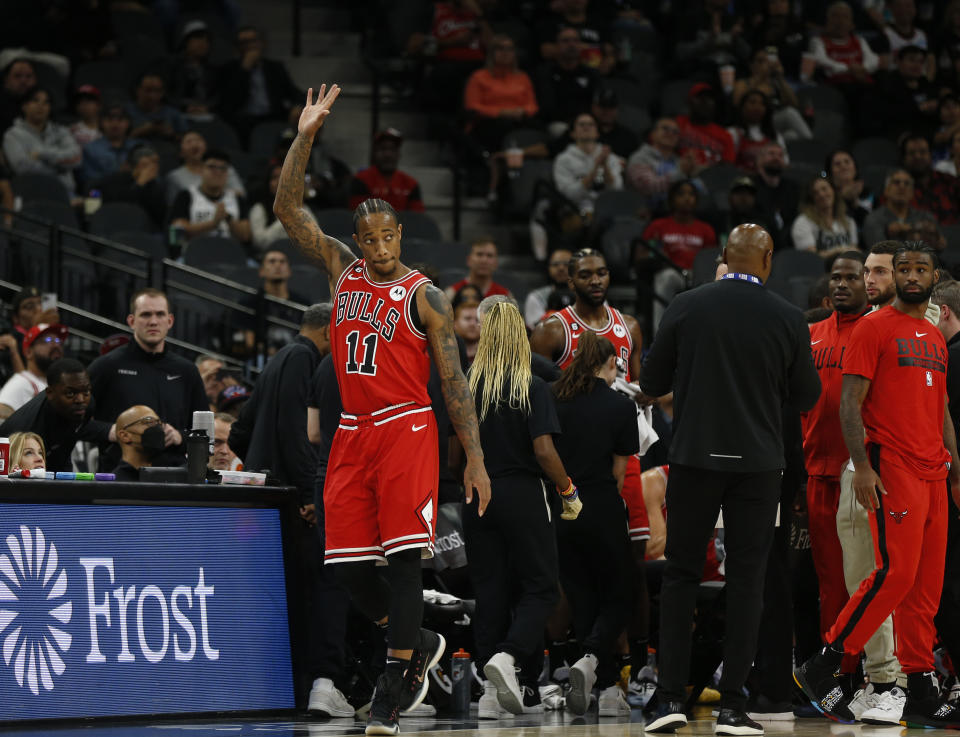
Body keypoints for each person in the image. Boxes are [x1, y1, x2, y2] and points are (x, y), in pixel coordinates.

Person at [272, 83, 490, 736]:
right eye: (366, 236)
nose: (377, 244)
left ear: (399, 232)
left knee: (400, 560)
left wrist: (474, 455)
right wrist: (305, 135)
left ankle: (397, 677)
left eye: (386, 233)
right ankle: (419, 639)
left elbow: (453, 381)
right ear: (358, 239)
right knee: (343, 566)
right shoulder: (342, 270)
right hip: (351, 433)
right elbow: (288, 210)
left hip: (406, 427)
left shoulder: (426, 297)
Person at [638, 224, 820, 735]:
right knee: (748, 581)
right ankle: (735, 705)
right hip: (759, 466)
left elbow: (651, 384)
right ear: (766, 260)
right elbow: (807, 397)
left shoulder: (686, 304)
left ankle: (669, 698)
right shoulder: (787, 317)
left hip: (695, 458)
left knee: (680, 576)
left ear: (722, 257)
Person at [793, 244, 960, 729]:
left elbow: (943, 409)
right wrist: (863, 467)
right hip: (894, 467)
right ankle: (825, 662)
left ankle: (921, 681)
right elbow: (849, 403)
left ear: (933, 277)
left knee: (926, 589)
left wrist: (956, 469)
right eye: (902, 269)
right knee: (895, 574)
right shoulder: (872, 326)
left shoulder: (932, 333)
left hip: (934, 469)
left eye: (918, 269)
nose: (910, 276)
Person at [453, 300, 579, 715]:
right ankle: (508, 659)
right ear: (520, 337)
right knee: (541, 586)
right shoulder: (531, 385)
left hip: (477, 493)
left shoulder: (468, 384)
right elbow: (544, 451)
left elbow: (454, 451)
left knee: (489, 591)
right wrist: (567, 489)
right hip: (524, 493)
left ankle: (490, 696)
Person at [552, 330, 640, 717]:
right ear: (609, 364)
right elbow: (620, 474)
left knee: (583, 594)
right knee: (622, 591)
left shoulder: (552, 398)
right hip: (602, 504)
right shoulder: (620, 406)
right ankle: (590, 661)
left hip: (562, 507)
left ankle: (602, 690)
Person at [800, 251, 872, 705]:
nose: (842, 284)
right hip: (815, 472)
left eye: (852, 277)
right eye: (837, 277)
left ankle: (867, 669)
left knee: (864, 577)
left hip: (860, 475)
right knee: (830, 581)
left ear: (867, 283)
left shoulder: (875, 331)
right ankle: (840, 672)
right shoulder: (809, 334)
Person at [87, 288, 208, 470]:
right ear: (131, 321)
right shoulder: (106, 367)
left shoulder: (187, 371)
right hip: (119, 476)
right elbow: (74, 424)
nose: (153, 321)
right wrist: (111, 431)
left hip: (174, 475)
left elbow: (205, 432)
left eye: (160, 314)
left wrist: (179, 436)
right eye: (145, 315)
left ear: (170, 321)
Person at [228, 303, 330, 508]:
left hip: (263, 491)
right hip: (286, 495)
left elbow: (239, 433)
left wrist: (260, 465)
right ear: (328, 330)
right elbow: (295, 431)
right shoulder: (302, 357)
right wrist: (310, 494)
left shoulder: (280, 357)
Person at [530, 248, 643, 379]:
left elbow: (638, 387)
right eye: (585, 276)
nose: (596, 281)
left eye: (601, 274)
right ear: (571, 283)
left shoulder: (630, 326)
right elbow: (538, 392)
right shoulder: (549, 331)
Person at [0, 358, 111, 473]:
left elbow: (73, 436)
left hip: (60, 457)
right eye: (70, 393)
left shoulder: (86, 406)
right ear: (50, 393)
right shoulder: (27, 428)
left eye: (86, 391)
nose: (80, 399)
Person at [642, 180, 718, 328]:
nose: (687, 198)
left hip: (698, 275)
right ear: (671, 199)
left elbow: (711, 259)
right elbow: (642, 255)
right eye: (681, 194)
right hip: (673, 272)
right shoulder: (658, 226)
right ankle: (660, 335)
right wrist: (657, 255)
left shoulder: (706, 229)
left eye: (691, 194)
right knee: (665, 277)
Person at [218, 26, 303, 137]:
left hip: (273, 117)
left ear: (262, 43)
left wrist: (297, 106)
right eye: (244, 42)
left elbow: (295, 92)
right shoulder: (229, 69)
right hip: (243, 120)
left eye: (254, 41)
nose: (250, 46)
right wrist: (244, 70)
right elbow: (229, 101)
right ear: (238, 47)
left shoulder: (275, 68)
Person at [462, 35, 539, 155]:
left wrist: (522, 111)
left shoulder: (522, 77)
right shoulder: (479, 77)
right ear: (491, 53)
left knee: (536, 127)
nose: (505, 53)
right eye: (500, 48)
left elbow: (532, 105)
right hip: (488, 123)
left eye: (509, 49)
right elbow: (472, 106)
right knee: (501, 126)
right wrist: (501, 112)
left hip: (518, 120)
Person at [2, 86, 81, 194]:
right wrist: (61, 169)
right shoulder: (12, 135)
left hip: (66, 193)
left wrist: (41, 154)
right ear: (24, 106)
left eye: (46, 102)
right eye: (35, 100)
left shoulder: (61, 131)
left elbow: (76, 159)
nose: (41, 106)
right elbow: (23, 168)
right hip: (33, 194)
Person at [169, 149, 252, 245]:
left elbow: (246, 236)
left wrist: (228, 218)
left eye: (223, 168)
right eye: (212, 167)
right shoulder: (186, 195)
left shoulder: (237, 198)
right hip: (194, 254)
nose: (218, 172)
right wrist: (213, 223)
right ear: (201, 170)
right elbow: (177, 235)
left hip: (229, 255)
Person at [238, 248, 311, 357]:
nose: (278, 265)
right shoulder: (249, 303)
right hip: (262, 360)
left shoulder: (303, 304)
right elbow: (250, 344)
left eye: (282, 262)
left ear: (289, 271)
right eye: (272, 261)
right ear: (261, 271)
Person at [731, 46, 811, 141]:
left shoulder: (774, 84)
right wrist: (760, 77)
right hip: (757, 121)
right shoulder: (743, 83)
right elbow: (737, 103)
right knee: (789, 113)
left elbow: (794, 103)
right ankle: (812, 143)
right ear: (751, 65)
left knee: (792, 135)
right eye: (761, 61)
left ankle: (773, 145)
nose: (766, 65)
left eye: (767, 61)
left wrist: (780, 78)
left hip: (775, 123)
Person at [553, 112, 623, 217]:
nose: (586, 127)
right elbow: (568, 195)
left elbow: (616, 190)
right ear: (573, 133)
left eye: (591, 124)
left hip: (607, 210)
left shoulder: (610, 157)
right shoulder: (563, 160)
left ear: (597, 133)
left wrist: (605, 167)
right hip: (577, 211)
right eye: (581, 124)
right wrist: (594, 172)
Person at [627, 117, 702, 213]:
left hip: (678, 215)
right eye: (665, 129)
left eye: (675, 132)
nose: (670, 133)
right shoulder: (640, 158)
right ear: (653, 134)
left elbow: (699, 190)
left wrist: (693, 172)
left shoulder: (679, 161)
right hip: (646, 214)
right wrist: (681, 173)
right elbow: (648, 187)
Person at [534, 26, 600, 133]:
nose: (571, 45)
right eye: (566, 41)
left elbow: (596, 104)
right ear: (556, 46)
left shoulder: (592, 73)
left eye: (575, 41)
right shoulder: (545, 73)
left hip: (587, 123)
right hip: (558, 124)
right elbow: (547, 107)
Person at [348, 129, 425, 213]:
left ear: (399, 154)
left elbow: (418, 218)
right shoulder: (361, 180)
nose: (388, 154)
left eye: (392, 149)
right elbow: (358, 217)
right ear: (374, 153)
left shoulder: (411, 184)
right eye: (383, 149)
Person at [90, 144, 167, 229]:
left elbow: (160, 217)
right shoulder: (115, 181)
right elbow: (119, 206)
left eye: (155, 164)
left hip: (145, 230)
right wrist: (139, 184)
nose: (152, 168)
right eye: (146, 165)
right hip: (116, 226)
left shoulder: (155, 186)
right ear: (133, 165)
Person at [0, 323, 67, 419]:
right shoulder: (21, 383)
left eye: (58, 341)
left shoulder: (56, 383)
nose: (56, 345)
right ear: (29, 352)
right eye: (47, 340)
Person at [808, 1, 880, 88]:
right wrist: (849, 69)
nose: (840, 21)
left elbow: (873, 60)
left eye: (845, 17)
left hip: (864, 84)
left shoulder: (859, 41)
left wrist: (863, 68)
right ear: (827, 21)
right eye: (835, 16)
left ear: (852, 24)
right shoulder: (818, 41)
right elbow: (821, 61)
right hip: (835, 87)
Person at [165, 129, 245, 207]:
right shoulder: (174, 177)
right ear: (180, 152)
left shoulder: (223, 168)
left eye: (198, 140)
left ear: (205, 146)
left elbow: (241, 194)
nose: (195, 144)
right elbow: (173, 207)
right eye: (189, 142)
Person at [862, 169, 939, 247]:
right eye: (896, 182)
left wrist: (906, 228)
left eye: (906, 183)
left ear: (912, 193)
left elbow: (935, 246)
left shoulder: (925, 217)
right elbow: (878, 250)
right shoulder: (874, 218)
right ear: (886, 190)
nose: (902, 187)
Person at [790, 177, 858, 258]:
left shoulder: (848, 221)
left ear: (833, 191)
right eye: (815, 193)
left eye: (824, 189)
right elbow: (810, 258)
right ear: (811, 199)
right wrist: (838, 251)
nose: (821, 194)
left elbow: (855, 253)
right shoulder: (803, 223)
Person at [901, 132, 960, 226]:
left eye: (923, 152)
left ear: (931, 155)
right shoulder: (898, 187)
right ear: (904, 158)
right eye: (912, 153)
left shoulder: (949, 182)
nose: (918, 156)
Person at [78, 103, 141, 188]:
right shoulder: (90, 149)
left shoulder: (140, 147)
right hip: (104, 195)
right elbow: (89, 181)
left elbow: (152, 177)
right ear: (101, 123)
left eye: (120, 119)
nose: (115, 124)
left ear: (128, 123)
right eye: (109, 119)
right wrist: (119, 175)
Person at [752, 142, 800, 249]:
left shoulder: (792, 188)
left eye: (780, 155)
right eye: (771, 154)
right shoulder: (750, 187)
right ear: (759, 160)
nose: (776, 158)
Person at [676, 83, 736, 168]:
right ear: (689, 101)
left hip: (711, 177)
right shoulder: (678, 123)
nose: (705, 102)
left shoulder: (725, 136)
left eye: (710, 98)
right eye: (700, 98)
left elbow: (728, 167)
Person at [727, 90, 786, 172]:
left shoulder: (775, 136)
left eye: (762, 104)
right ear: (742, 107)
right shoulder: (732, 133)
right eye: (752, 102)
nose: (757, 107)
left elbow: (784, 163)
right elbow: (728, 165)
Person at [168, 20, 220, 115]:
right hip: (177, 113)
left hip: (205, 113)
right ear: (185, 41)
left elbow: (217, 96)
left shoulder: (213, 69)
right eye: (198, 38)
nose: (203, 43)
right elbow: (165, 94)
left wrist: (207, 107)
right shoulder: (171, 65)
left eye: (207, 40)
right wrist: (184, 107)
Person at [124, 72, 187, 142]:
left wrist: (172, 134)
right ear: (137, 90)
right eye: (148, 90)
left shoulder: (173, 114)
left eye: (157, 91)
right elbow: (115, 141)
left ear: (163, 93)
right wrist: (142, 130)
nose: (152, 96)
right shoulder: (125, 112)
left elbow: (187, 138)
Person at [445, 238, 513, 301]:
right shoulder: (452, 294)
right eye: (479, 254)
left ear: (496, 263)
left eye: (489, 255)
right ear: (469, 260)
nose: (484, 260)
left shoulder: (505, 297)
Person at [112, 404, 165, 481]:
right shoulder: (114, 485)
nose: (158, 428)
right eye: (149, 421)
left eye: (159, 424)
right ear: (124, 436)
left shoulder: (166, 477)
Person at [824, 148, 875, 228]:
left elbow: (872, 225)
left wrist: (854, 202)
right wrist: (842, 198)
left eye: (847, 162)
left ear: (855, 167)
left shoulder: (869, 193)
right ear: (830, 172)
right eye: (837, 164)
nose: (843, 166)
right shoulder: (826, 196)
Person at [524, 248, 573, 329]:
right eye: (555, 264)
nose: (561, 268)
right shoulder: (536, 297)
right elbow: (535, 329)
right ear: (548, 267)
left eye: (566, 264)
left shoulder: (585, 294)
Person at [593, 89, 639, 160]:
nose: (607, 111)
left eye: (611, 107)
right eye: (603, 106)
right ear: (594, 108)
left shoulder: (628, 137)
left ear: (617, 109)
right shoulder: (584, 132)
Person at [0, 58, 36, 132]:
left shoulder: (44, 103)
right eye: (17, 76)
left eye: (28, 76)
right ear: (6, 80)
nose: (23, 81)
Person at [69, 84, 102, 148]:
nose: (84, 105)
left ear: (99, 104)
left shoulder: (110, 128)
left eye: (88, 101)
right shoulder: (72, 130)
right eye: (80, 102)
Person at [453, 299, 480, 365]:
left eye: (477, 320)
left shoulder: (494, 358)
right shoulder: (444, 356)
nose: (473, 324)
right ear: (454, 323)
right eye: (467, 318)